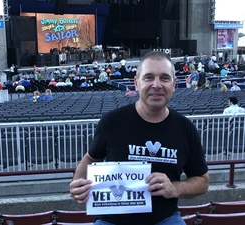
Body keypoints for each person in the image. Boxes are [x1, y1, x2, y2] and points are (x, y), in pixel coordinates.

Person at [69, 51, 209, 225]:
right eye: (149, 77)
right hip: (112, 220)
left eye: (164, 78)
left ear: (174, 84)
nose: (156, 85)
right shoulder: (111, 122)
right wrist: (78, 184)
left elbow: (202, 181)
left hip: (165, 219)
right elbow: (91, 157)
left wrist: (174, 188)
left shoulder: (185, 128)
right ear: (137, 83)